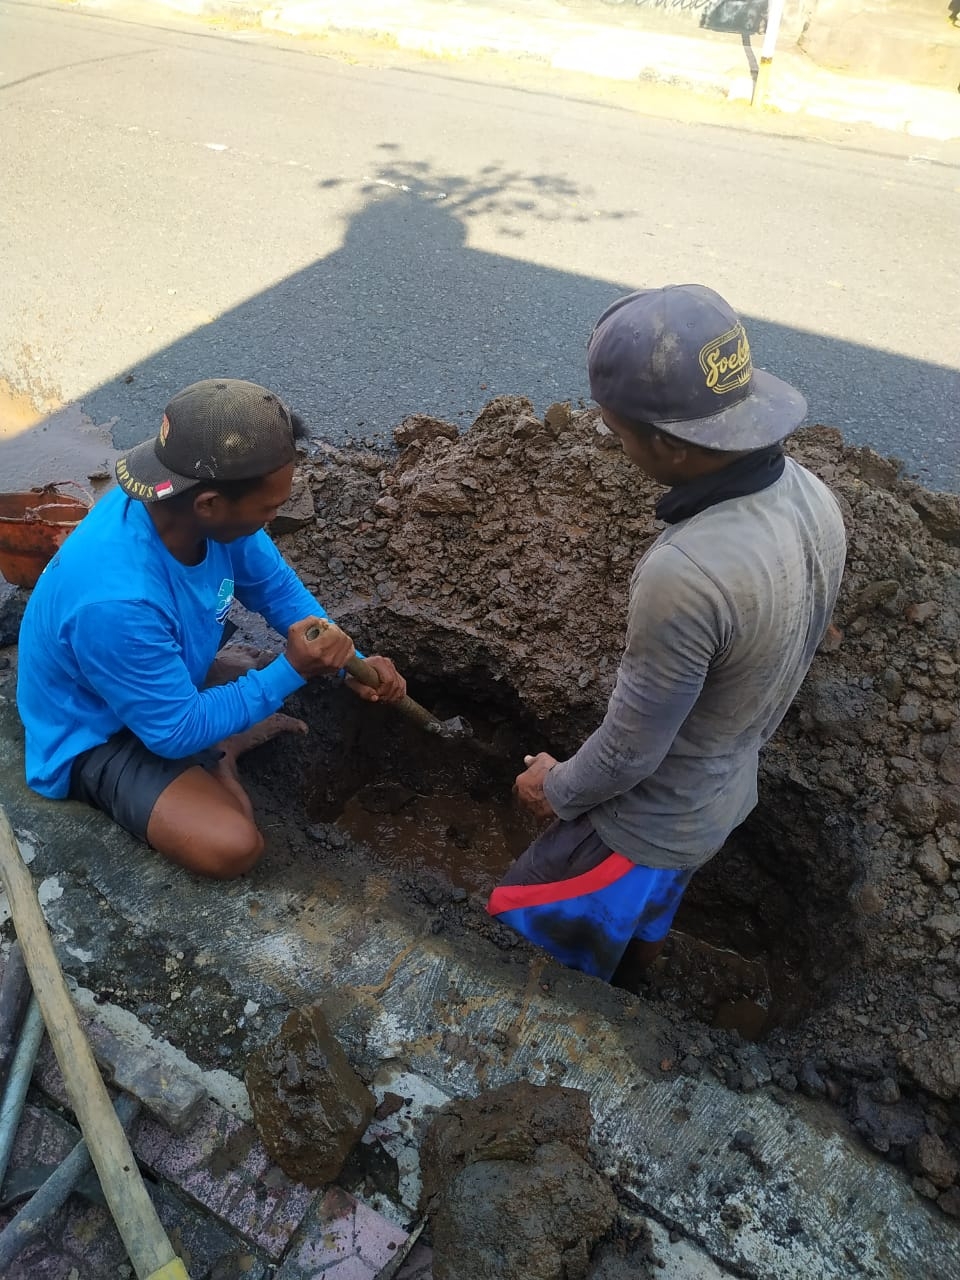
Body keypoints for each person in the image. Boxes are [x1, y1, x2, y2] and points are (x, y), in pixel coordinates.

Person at [487, 284, 847, 987]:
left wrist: (553, 788)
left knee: (505, 932)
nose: (615, 448)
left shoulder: (688, 571)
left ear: (670, 446)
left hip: (643, 827)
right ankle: (632, 989)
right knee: (641, 923)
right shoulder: (810, 494)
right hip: (718, 802)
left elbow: (628, 749)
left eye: (618, 434)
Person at [17, 378, 407, 878]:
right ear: (209, 504)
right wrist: (289, 672)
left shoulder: (188, 506)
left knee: (246, 668)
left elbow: (275, 588)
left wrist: (345, 661)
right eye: (268, 508)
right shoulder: (115, 599)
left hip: (150, 664)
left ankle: (217, 721)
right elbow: (173, 734)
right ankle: (223, 747)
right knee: (233, 842)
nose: (274, 517)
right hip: (93, 727)